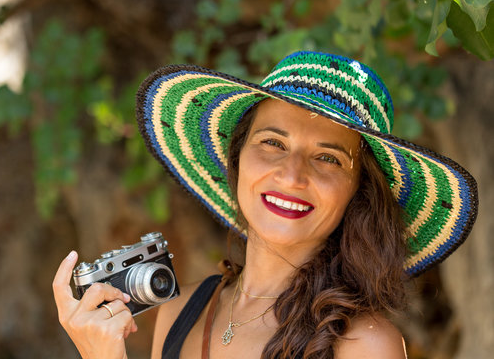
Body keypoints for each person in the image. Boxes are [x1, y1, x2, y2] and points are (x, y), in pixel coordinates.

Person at [53, 51, 478, 358]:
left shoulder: (363, 345)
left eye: (328, 158)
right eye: (273, 143)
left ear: (358, 194)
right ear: (236, 159)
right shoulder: (180, 311)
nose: (292, 175)